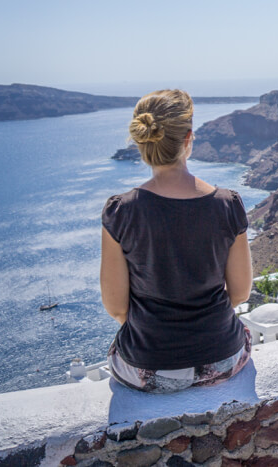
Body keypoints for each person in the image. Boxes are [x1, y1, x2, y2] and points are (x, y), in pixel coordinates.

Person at [100, 89, 254, 393]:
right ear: (188, 140)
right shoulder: (228, 204)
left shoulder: (121, 212)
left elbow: (117, 309)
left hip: (147, 366)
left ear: (142, 142)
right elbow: (239, 294)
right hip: (223, 357)